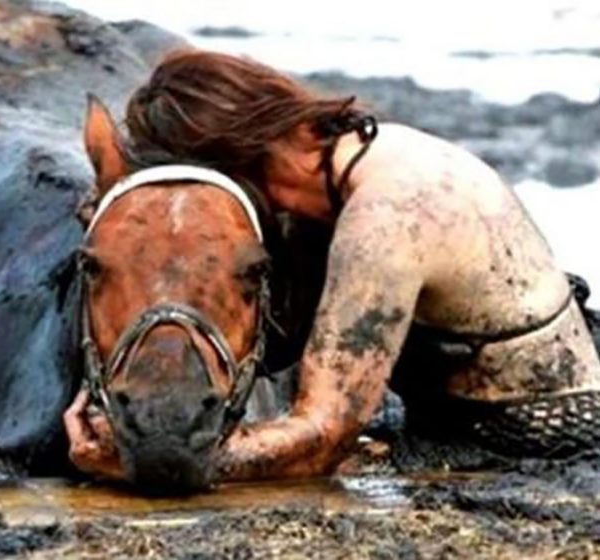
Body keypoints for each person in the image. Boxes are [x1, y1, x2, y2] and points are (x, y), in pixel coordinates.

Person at [65, 49, 600, 481]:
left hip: (526, 437)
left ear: (236, 155)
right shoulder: (354, 166)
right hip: (456, 412)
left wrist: (146, 457)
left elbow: (322, 435)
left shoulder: (386, 219)